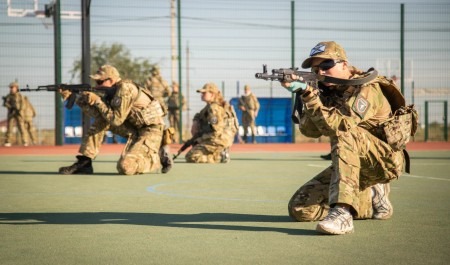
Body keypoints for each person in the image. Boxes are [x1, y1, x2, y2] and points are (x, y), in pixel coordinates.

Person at [282, 41, 408, 235]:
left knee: (344, 132)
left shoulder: (367, 88)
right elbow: (311, 131)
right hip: (352, 162)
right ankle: (372, 199)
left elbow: (340, 126)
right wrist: (308, 95)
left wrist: (310, 96)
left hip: (384, 161)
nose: (321, 72)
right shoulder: (328, 91)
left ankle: (342, 213)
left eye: (326, 65)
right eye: (316, 69)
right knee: (301, 209)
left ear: (344, 64)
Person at [58, 64, 173, 175]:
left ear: (111, 80)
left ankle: (156, 155)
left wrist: (98, 101)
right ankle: (84, 163)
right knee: (102, 120)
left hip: (151, 130)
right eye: (96, 82)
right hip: (134, 128)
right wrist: (76, 98)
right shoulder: (111, 92)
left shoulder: (125, 89)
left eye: (100, 82)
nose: (97, 85)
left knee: (125, 167)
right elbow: (99, 115)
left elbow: (116, 120)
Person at [185, 83, 238, 163]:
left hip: (219, 139)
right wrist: (195, 121)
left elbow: (217, 132)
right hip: (219, 138)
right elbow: (200, 115)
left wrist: (200, 139)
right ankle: (219, 152)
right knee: (195, 150)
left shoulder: (214, 108)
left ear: (212, 94)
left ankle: (220, 155)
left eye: (204, 93)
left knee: (192, 157)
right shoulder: (210, 106)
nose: (202, 95)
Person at [2, 82, 29, 147]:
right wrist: (10, 107)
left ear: (16, 88)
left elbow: (24, 104)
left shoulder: (20, 96)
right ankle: (8, 141)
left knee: (22, 127)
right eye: (10, 88)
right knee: (10, 127)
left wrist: (19, 110)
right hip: (11, 113)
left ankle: (25, 141)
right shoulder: (8, 96)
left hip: (19, 114)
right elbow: (5, 104)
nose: (11, 89)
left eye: (12, 88)